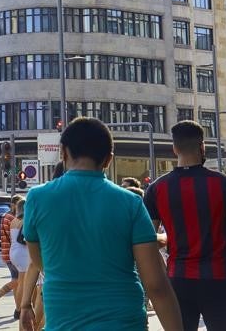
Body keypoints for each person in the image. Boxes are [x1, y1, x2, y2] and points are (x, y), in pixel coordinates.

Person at [17, 117, 182, 331]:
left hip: (64, 322)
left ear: (63, 153)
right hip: (124, 323)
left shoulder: (37, 198)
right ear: (109, 160)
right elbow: (156, 285)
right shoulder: (130, 203)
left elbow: (40, 261)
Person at [144, 120, 226, 331]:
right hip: (218, 278)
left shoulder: (157, 188)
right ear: (202, 146)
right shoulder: (225, 185)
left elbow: (147, 239)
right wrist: (223, 248)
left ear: (175, 149)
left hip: (178, 278)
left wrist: (169, 242)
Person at [0, 194, 24, 318]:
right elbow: (16, 237)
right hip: (12, 253)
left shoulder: (7, 216)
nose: (20, 208)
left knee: (16, 281)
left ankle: (18, 309)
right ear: (13, 205)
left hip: (8, 252)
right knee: (19, 281)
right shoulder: (11, 218)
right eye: (18, 205)